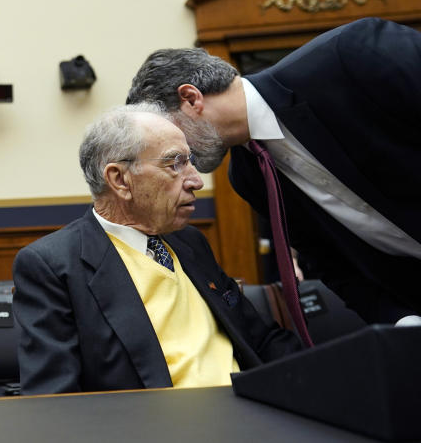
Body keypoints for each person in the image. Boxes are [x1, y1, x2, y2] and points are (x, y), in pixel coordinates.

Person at [126, 17, 421, 325]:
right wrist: (401, 320)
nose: (173, 150)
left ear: (191, 99)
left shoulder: (352, 55)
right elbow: (330, 263)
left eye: (167, 131)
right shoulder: (248, 178)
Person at [13, 105, 302, 395]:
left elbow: (259, 339)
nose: (196, 180)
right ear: (120, 180)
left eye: (190, 162)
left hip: (250, 411)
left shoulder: (190, 241)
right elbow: (52, 400)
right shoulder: (53, 264)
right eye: (175, 164)